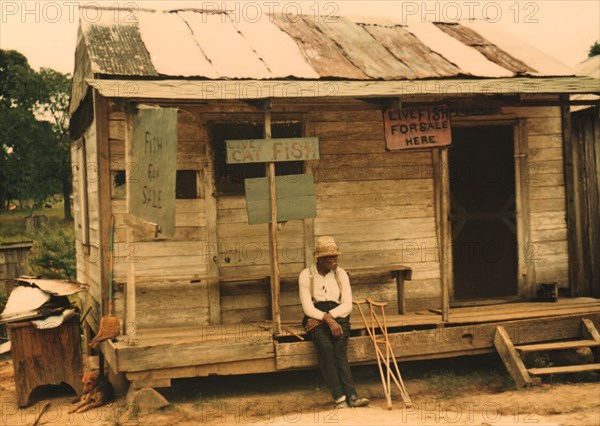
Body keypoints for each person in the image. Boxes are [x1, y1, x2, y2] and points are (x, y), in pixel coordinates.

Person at [298, 236, 370, 409]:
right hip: (314, 317)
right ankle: (339, 398)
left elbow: (346, 305)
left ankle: (352, 396)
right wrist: (326, 319)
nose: (335, 260)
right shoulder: (306, 275)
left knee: (340, 352)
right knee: (326, 348)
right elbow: (308, 308)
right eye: (331, 258)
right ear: (320, 259)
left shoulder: (341, 274)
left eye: (336, 257)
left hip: (337, 317)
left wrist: (328, 317)